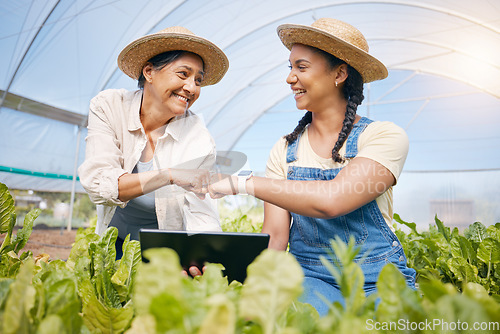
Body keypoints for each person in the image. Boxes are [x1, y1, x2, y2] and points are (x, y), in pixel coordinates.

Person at [208, 18, 416, 315]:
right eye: (290, 67)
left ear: (340, 73)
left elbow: (333, 200)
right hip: (309, 277)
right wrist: (244, 288)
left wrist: (241, 183)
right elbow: (276, 238)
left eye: (301, 67)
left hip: (380, 278)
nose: (290, 78)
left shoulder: (384, 136)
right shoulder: (284, 149)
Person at [78, 26, 229, 260]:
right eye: (183, 74)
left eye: (198, 80)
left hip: (165, 251)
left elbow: (202, 213)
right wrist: (168, 175)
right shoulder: (109, 107)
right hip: (113, 242)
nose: (191, 88)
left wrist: (204, 254)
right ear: (149, 71)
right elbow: (99, 184)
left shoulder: (199, 139)